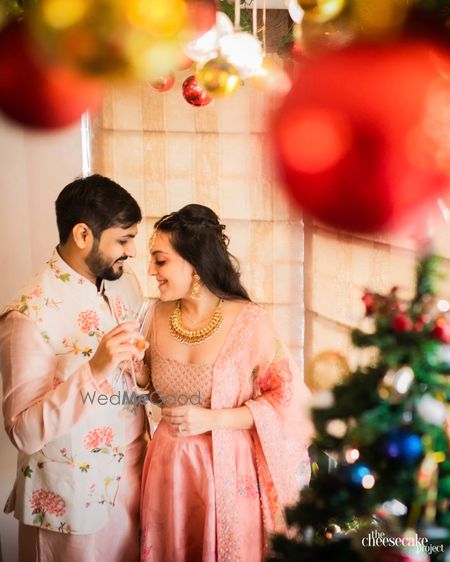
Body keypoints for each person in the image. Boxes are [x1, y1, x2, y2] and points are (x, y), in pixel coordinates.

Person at [138, 204, 312, 562]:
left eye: (160, 260)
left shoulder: (250, 321)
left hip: (227, 471)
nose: (151, 271)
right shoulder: (154, 315)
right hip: (168, 467)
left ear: (194, 264)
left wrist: (213, 419)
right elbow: (159, 392)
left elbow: (285, 399)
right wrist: (140, 376)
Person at [0, 174, 148, 562]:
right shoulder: (29, 315)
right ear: (83, 235)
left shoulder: (123, 284)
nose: (133, 251)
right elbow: (24, 433)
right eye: (123, 239)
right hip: (69, 504)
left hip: (130, 487)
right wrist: (93, 370)